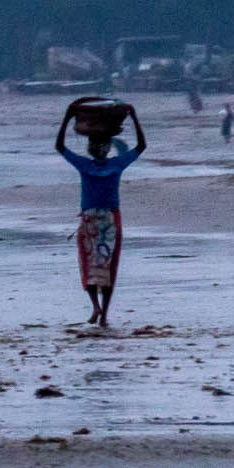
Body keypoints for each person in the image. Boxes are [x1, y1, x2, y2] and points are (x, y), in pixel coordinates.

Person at [56, 103, 148, 327]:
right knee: (107, 266)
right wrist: (134, 117)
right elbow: (141, 146)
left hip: (90, 220)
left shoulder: (84, 165)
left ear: (91, 149)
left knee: (88, 264)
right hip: (109, 220)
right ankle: (103, 312)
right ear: (107, 148)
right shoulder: (116, 165)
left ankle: (96, 307)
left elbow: (60, 146)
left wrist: (68, 118)